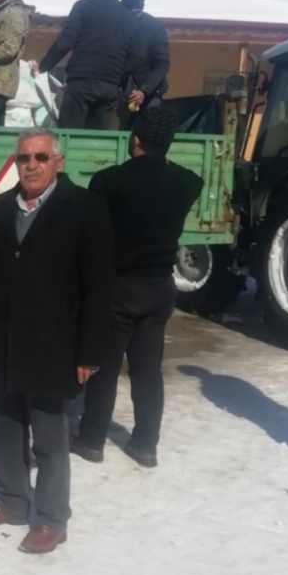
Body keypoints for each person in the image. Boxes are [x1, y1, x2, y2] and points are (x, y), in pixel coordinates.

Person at [0, 128, 114, 554]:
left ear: (57, 162)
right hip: (4, 342)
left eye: (41, 157)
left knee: (49, 438)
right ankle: (11, 502)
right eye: (24, 158)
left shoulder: (84, 208)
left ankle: (50, 520)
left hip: (54, 347)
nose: (31, 165)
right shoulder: (0, 207)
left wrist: (90, 351)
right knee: (4, 430)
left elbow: (99, 287)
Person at [72, 108, 203, 469]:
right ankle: (145, 445)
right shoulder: (189, 183)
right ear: (169, 142)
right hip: (159, 287)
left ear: (136, 139)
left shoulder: (107, 182)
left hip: (117, 286)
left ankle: (92, 438)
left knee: (105, 369)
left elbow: (94, 238)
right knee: (148, 372)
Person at [33, 0, 144, 130]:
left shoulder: (83, 7)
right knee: (97, 139)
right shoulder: (128, 17)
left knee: (69, 135)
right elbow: (137, 56)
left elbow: (65, 42)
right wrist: (118, 77)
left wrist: (44, 67)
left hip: (81, 83)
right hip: (109, 87)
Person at [121, 0, 171, 114]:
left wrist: (144, 91)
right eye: (129, 13)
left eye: (136, 13)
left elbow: (162, 64)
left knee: (148, 128)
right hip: (120, 92)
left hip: (150, 93)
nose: (133, 17)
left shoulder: (155, 27)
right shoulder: (116, 23)